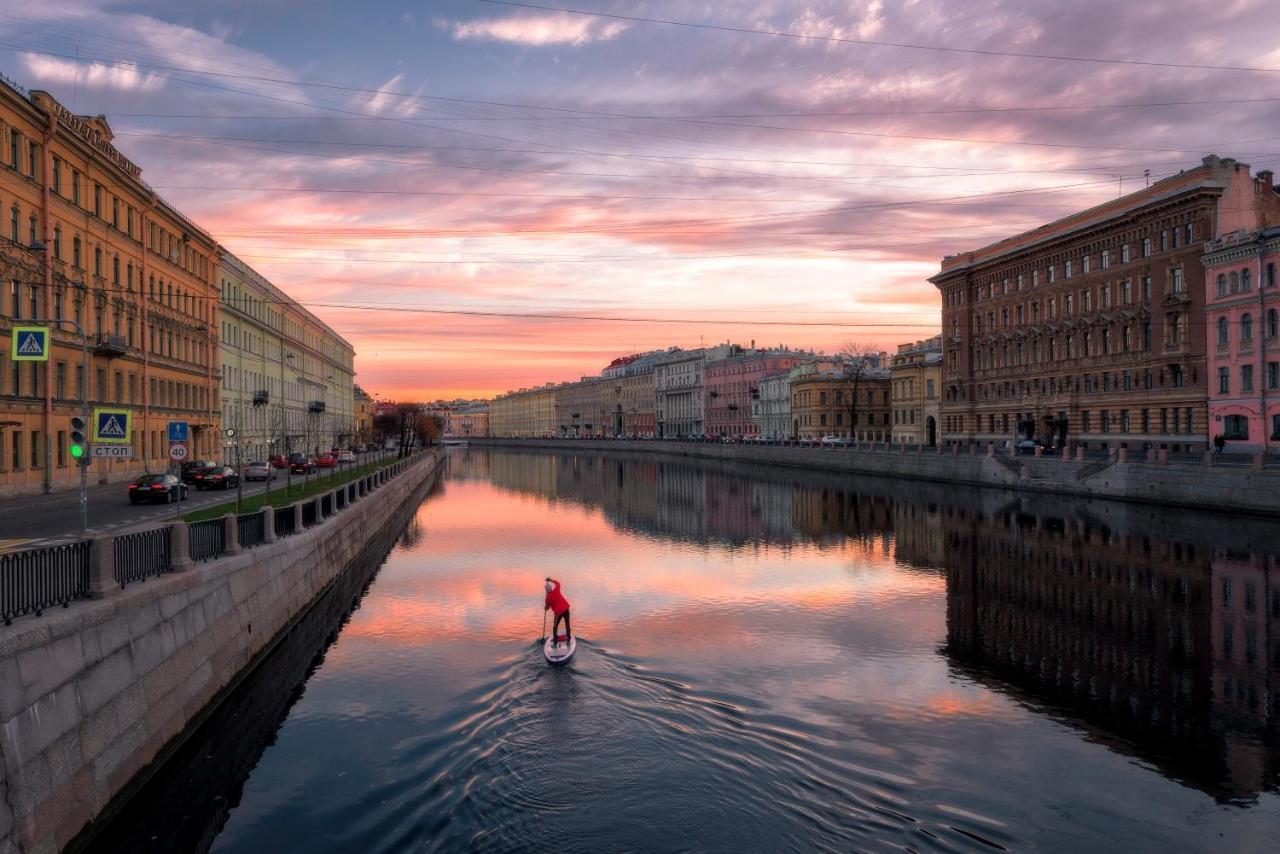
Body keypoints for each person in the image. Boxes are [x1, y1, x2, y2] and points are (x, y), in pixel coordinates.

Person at [544, 577, 571, 644]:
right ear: (551, 588)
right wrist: (551, 580)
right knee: (567, 624)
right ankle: (568, 639)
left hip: (558, 613)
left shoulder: (548, 598)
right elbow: (558, 583)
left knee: (554, 627)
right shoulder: (556, 590)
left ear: (546, 591)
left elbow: (547, 608)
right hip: (566, 609)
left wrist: (545, 607)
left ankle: (555, 642)